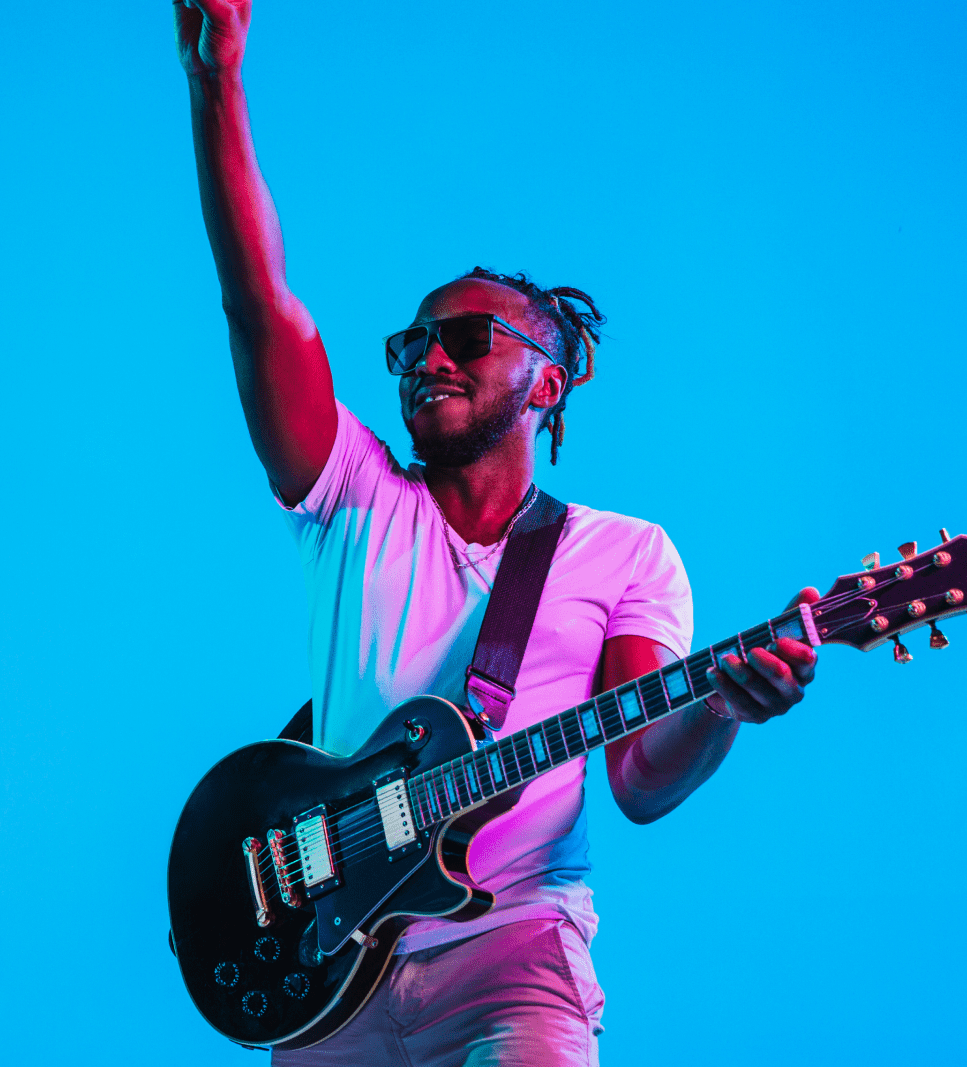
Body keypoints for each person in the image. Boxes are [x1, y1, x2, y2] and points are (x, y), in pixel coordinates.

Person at [173, 2, 822, 1064]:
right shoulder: (353, 494)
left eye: (465, 337)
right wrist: (217, 84)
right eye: (414, 343)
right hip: (329, 977)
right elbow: (261, 305)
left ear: (547, 377)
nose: (429, 358)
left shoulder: (625, 553)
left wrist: (722, 707)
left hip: (512, 958)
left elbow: (641, 778)